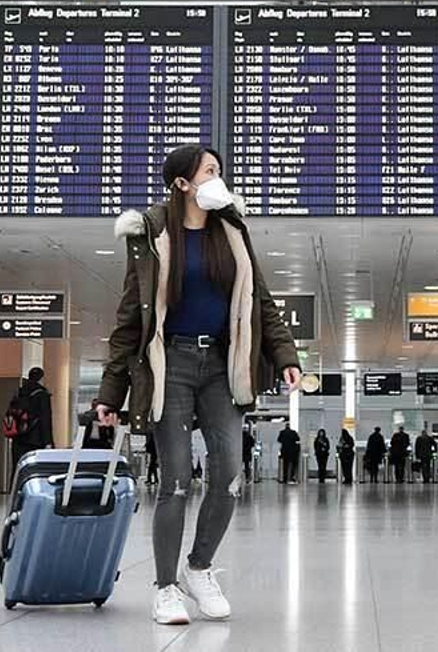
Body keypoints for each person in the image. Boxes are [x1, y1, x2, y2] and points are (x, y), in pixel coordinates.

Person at [96, 144, 302, 626]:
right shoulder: (151, 234)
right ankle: (165, 587)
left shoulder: (231, 230)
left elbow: (260, 302)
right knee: (175, 480)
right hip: (171, 365)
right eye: (209, 171)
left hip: (222, 366)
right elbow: (132, 318)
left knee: (229, 474)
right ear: (182, 183)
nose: (219, 178)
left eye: (219, 171)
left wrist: (285, 356)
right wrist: (111, 391)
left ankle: (199, 567)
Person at [3, 367, 53, 472]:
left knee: (18, 468)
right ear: (41, 379)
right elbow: (45, 419)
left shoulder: (19, 393)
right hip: (36, 439)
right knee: (34, 468)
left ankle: (15, 488)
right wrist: (48, 441)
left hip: (18, 437)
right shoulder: (42, 394)